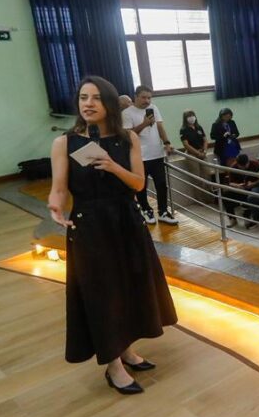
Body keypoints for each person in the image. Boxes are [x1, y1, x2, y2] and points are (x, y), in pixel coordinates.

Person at [47, 76, 177, 396]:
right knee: (102, 294)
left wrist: (111, 166)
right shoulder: (65, 143)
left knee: (129, 288)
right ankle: (113, 365)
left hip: (126, 220)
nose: (88, 104)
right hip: (90, 225)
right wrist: (55, 207)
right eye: (82, 97)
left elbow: (136, 184)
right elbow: (59, 188)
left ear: (108, 103)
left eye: (95, 98)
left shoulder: (127, 139)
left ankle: (127, 350)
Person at [121, 85, 178, 225]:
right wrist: (144, 124)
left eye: (149, 97)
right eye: (144, 97)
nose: (147, 101)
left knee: (161, 184)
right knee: (141, 186)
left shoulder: (154, 108)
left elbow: (159, 126)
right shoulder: (127, 113)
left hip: (157, 154)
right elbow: (128, 135)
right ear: (136, 97)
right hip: (140, 156)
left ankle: (163, 212)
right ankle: (146, 210)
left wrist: (167, 142)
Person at [178, 109, 210, 193]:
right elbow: (186, 145)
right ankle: (200, 200)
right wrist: (197, 153)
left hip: (202, 153)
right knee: (197, 178)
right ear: (185, 118)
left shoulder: (199, 127)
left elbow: (205, 140)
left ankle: (210, 198)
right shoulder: (183, 130)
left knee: (207, 175)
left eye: (192, 115)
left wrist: (204, 151)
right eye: (189, 116)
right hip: (192, 155)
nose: (191, 118)